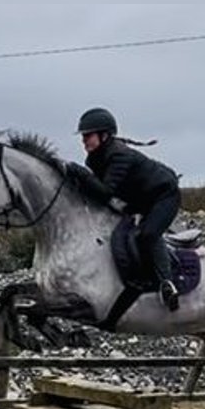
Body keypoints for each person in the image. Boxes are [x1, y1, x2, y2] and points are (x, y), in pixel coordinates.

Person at [75, 107, 181, 311]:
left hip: (164, 196)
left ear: (104, 135)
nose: (83, 140)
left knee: (147, 235)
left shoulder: (119, 156)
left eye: (88, 135)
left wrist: (80, 173)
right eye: (83, 136)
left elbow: (106, 192)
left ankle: (167, 284)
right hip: (140, 200)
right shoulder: (94, 158)